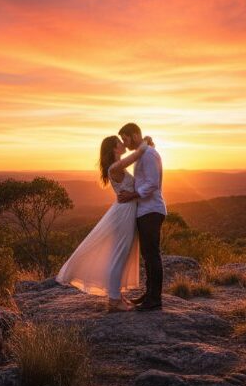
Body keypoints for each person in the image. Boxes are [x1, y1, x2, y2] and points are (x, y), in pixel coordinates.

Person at [56, 133, 154, 312]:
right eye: (119, 142)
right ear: (114, 149)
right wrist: (145, 140)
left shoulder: (117, 166)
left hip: (126, 211)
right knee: (120, 255)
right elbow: (137, 154)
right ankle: (114, 300)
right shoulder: (115, 167)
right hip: (124, 213)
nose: (123, 143)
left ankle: (117, 295)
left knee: (122, 254)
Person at [116, 122, 166, 311]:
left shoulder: (149, 154)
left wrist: (131, 195)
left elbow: (152, 183)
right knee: (147, 255)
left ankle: (155, 299)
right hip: (145, 210)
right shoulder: (142, 154)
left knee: (152, 255)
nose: (124, 143)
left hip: (152, 210)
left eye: (125, 138)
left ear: (135, 135)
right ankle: (149, 294)